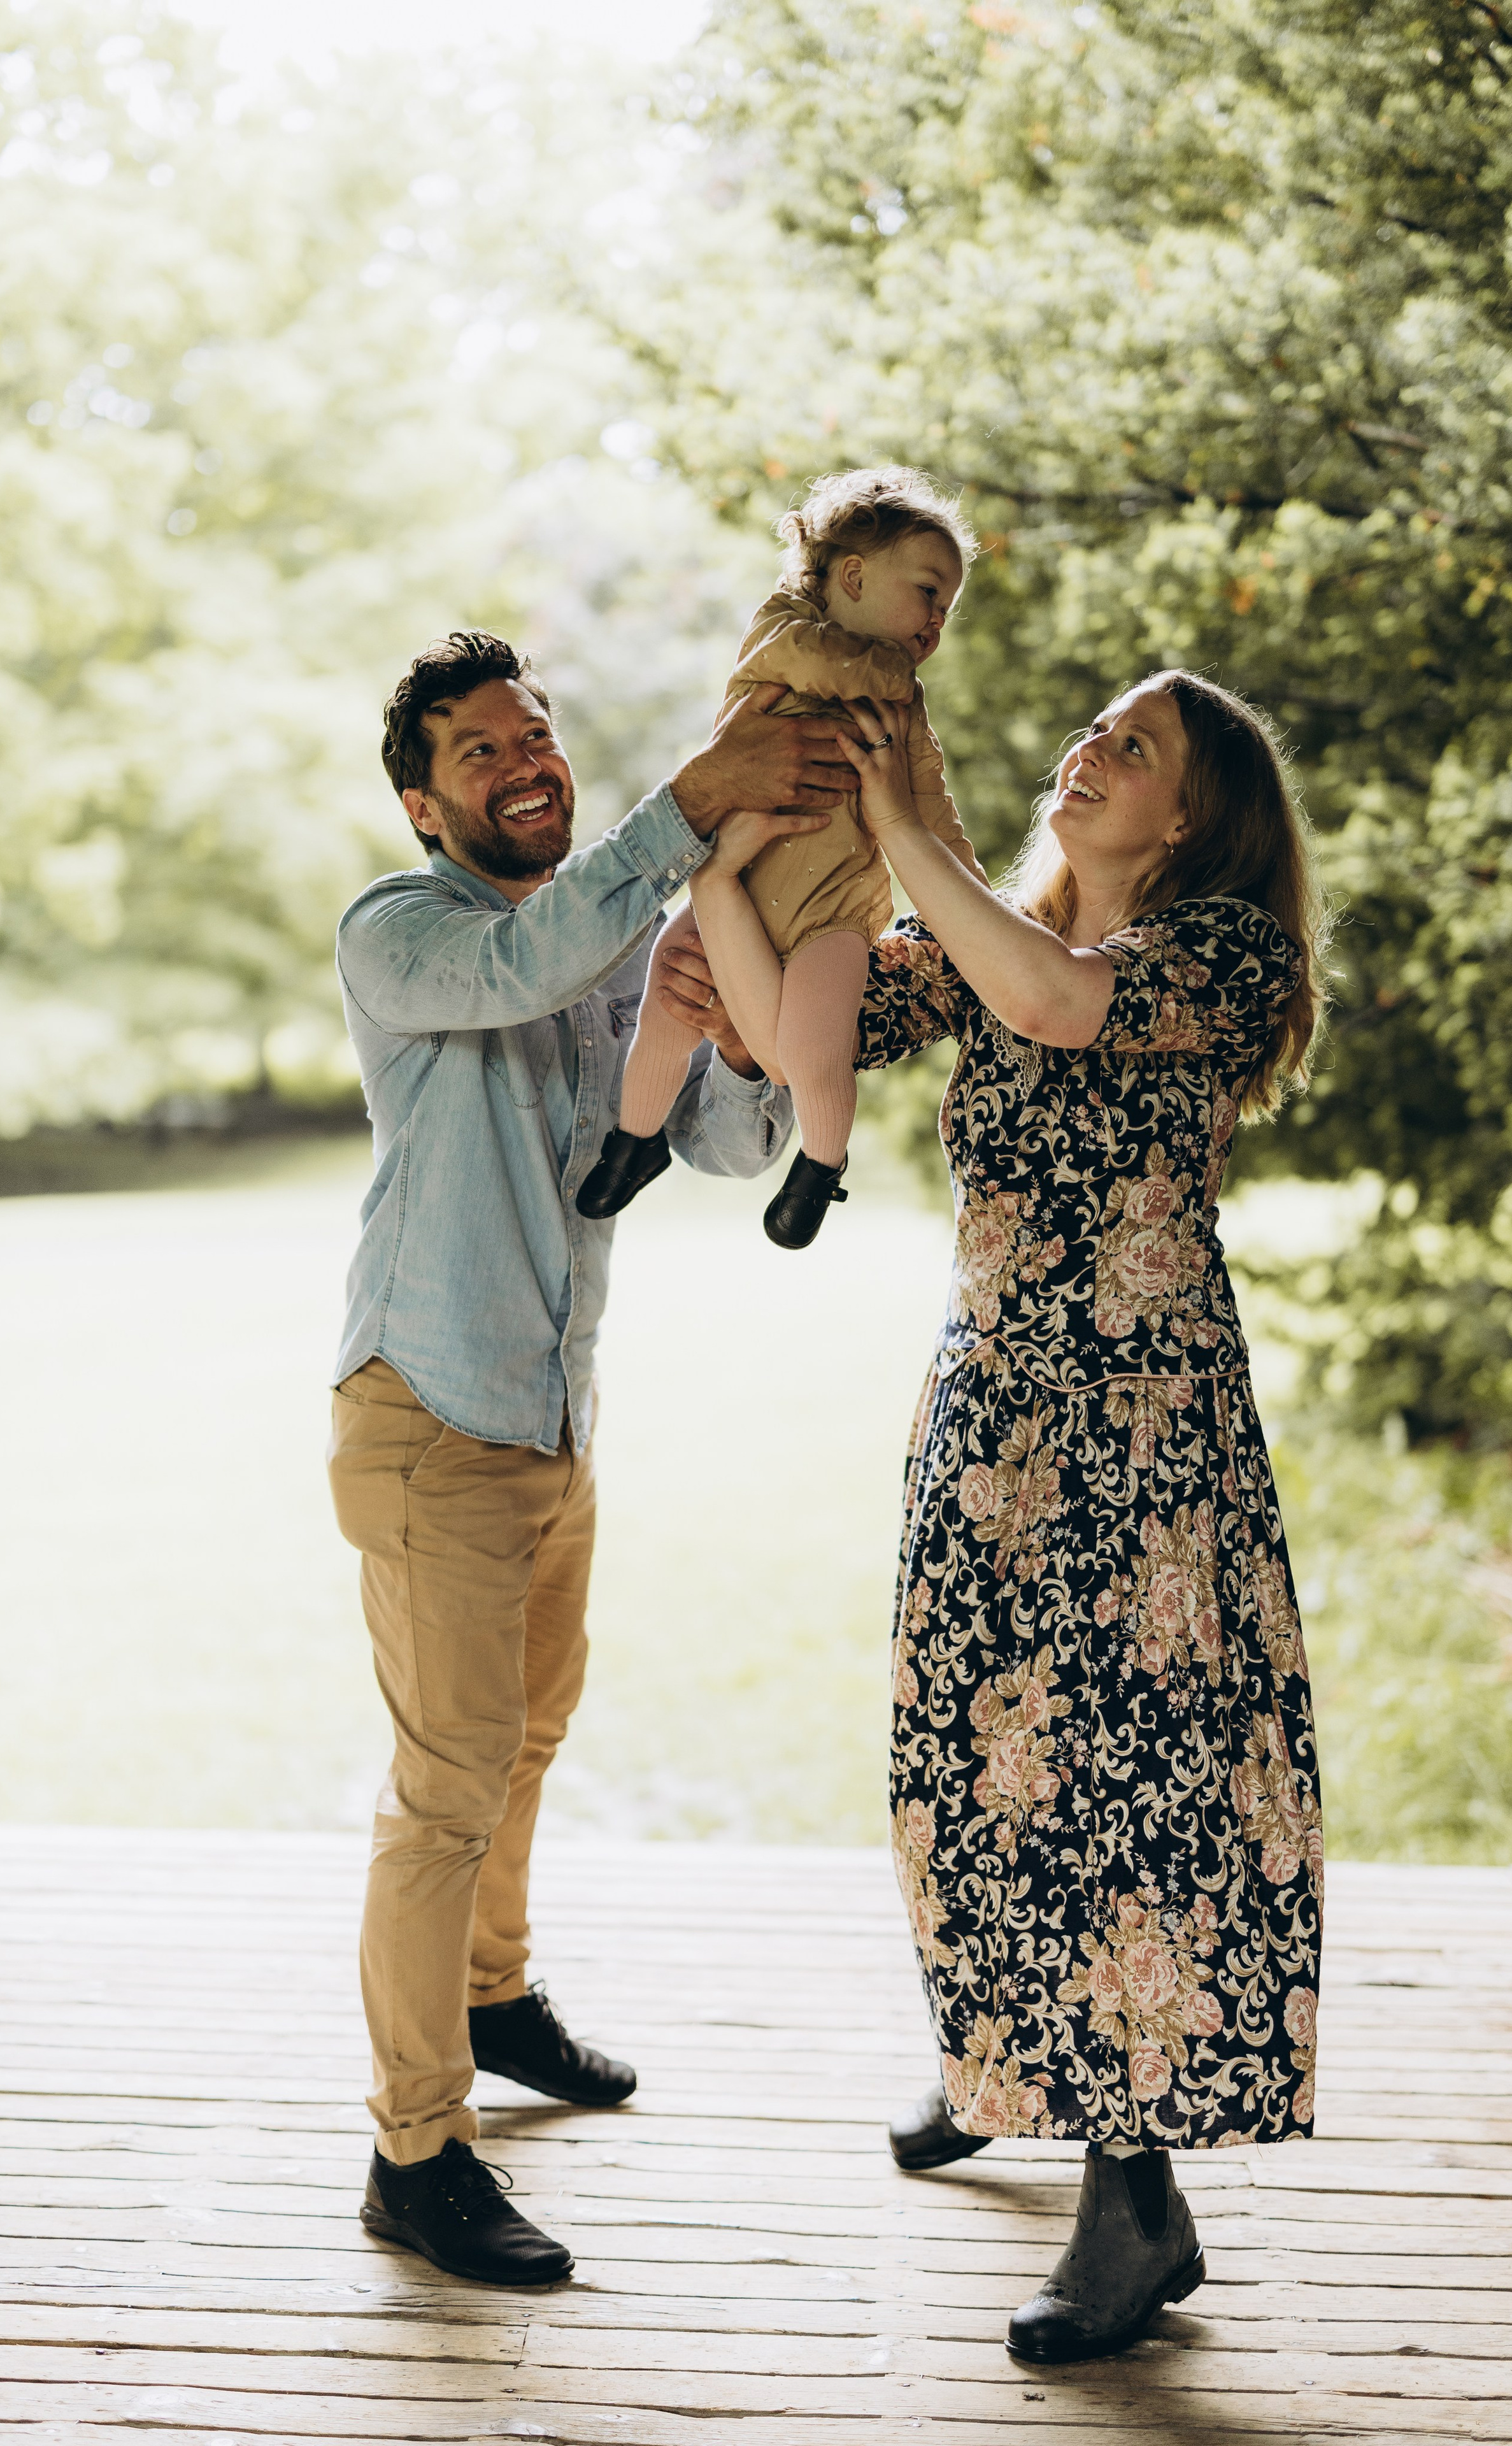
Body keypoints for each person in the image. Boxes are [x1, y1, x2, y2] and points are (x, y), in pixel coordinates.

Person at [784, 668, 1325, 2363]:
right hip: (996, 1410)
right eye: (1091, 732)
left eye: (1136, 748)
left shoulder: (1222, 953)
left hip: (1146, 1432)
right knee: (978, 1750)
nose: (1092, 753)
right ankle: (1007, 2056)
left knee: (1132, 1773)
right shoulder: (986, 930)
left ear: (1194, 816)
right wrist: (748, 869)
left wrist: (908, 831)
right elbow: (806, 1020)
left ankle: (1133, 2193)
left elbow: (1066, 1003)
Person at [325, 629, 845, 2291]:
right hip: (430, 1418)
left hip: (555, 1421)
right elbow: (520, 974)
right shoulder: (404, 933)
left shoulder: (607, 937)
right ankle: (415, 2153)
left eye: (535, 731)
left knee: (529, 1741)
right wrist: (686, 812)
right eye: (481, 750)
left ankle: (494, 1996)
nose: (523, 757)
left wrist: (749, 1033)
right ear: (424, 802)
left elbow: (714, 1134)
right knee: (444, 1789)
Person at [578, 467, 980, 1250]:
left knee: (814, 1046)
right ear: (853, 576)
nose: (937, 621)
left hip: (833, 911)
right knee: (671, 990)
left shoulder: (903, 710)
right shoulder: (783, 630)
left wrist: (981, 905)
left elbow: (933, 814)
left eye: (947, 609)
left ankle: (818, 1170)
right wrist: (893, 680)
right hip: (738, 881)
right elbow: (824, 662)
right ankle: (635, 1140)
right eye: (929, 592)